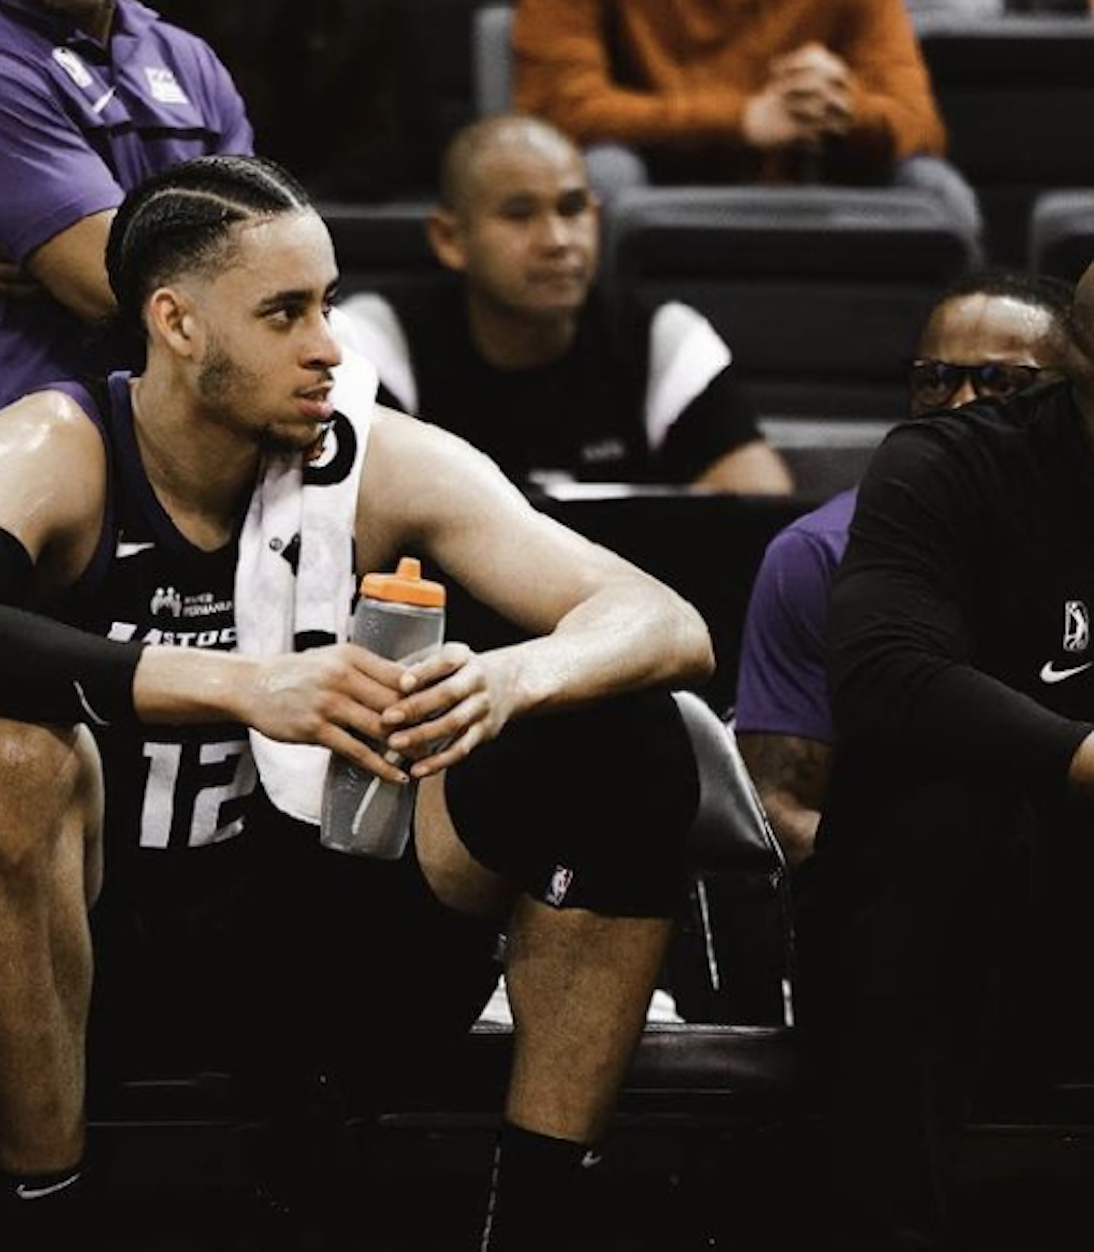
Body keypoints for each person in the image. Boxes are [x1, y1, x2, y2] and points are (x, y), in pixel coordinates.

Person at [0, 154, 715, 1248]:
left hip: (318, 927)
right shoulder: (54, 449)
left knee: (621, 731)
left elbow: (665, 620)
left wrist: (506, 680)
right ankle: (48, 1207)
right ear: (176, 324)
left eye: (326, 304)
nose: (329, 344)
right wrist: (245, 682)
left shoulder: (379, 459)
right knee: (7, 761)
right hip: (100, 939)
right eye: (285, 314)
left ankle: (538, 1207)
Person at [797, 259, 1094, 1249]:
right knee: (949, 808)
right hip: (969, 928)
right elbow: (884, 670)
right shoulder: (950, 465)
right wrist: (1082, 758)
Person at [0, 0, 254, 548]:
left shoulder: (187, 60)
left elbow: (263, 270)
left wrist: (99, 246)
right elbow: (110, 286)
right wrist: (118, 261)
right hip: (18, 515)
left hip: (187, 511)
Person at [733, 270, 1073, 864]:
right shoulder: (816, 556)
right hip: (906, 898)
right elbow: (775, 807)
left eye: (1003, 382)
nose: (961, 405)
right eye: (936, 380)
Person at [333, 114, 794, 494]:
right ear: (450, 238)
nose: (557, 241)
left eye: (572, 209)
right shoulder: (375, 344)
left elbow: (758, 504)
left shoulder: (663, 340)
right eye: (519, 215)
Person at [512, 0, 984, 243]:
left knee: (936, 190)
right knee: (598, 178)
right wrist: (741, 120)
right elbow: (556, 111)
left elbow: (921, 123)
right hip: (659, 175)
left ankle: (945, 405)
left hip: (810, 177)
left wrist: (842, 105)